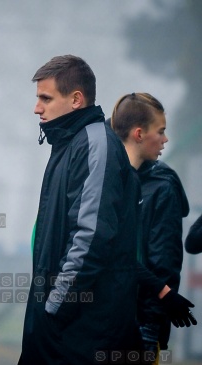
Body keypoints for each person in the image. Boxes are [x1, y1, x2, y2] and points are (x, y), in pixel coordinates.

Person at [18, 55, 143, 365]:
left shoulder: (95, 143)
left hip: (84, 335)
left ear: (76, 99)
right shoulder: (68, 142)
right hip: (60, 332)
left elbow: (90, 238)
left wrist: (54, 308)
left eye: (45, 98)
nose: (37, 108)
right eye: (38, 99)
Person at [111, 92, 196, 363]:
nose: (166, 139)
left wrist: (151, 324)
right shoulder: (105, 179)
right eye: (160, 131)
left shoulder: (163, 188)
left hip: (143, 323)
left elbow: (164, 263)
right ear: (138, 133)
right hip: (104, 319)